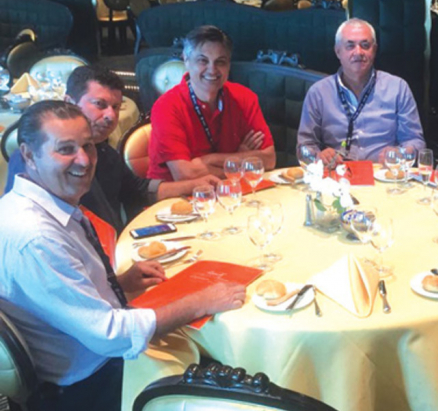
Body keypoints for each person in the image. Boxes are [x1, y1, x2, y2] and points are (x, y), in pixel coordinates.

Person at [0, 101, 247, 411]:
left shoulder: (34, 204)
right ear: (28, 155)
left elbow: (58, 296)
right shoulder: (37, 237)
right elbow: (111, 335)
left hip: (85, 357)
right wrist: (201, 302)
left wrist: (118, 283)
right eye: (65, 149)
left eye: (87, 146)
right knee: (234, 379)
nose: (84, 160)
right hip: (87, 387)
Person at [4, 65, 219, 234]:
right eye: (100, 104)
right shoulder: (35, 166)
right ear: (69, 102)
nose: (111, 116)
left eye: (116, 107)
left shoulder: (102, 151)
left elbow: (137, 190)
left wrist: (196, 185)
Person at [148, 25, 275, 181]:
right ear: (186, 60)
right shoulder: (166, 107)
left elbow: (269, 159)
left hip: (230, 189)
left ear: (229, 65)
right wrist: (240, 160)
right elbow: (185, 175)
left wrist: (209, 160)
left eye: (220, 62)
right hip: (179, 193)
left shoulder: (244, 97)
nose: (212, 70)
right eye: (203, 61)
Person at [296, 18, 426, 164]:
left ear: (374, 50)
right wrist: (318, 157)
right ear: (337, 51)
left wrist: (400, 153)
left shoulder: (398, 88)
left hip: (384, 173)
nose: (358, 52)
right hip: (337, 173)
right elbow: (304, 146)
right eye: (350, 46)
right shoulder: (318, 93)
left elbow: (415, 142)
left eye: (365, 45)